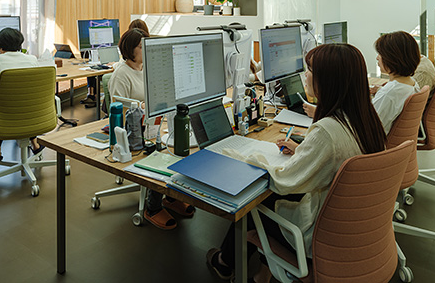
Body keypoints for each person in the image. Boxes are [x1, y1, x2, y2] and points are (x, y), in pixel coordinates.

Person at [206, 43, 387, 281]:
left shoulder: (327, 131)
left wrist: (236, 154)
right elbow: (332, 156)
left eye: (310, 70)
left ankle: (225, 263)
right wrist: (304, 150)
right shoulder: (365, 119)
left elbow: (283, 181)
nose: (305, 75)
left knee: (253, 205)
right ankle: (262, 275)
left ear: (327, 80)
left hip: (319, 237)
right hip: (355, 231)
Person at [108, 27, 194, 230]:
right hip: (133, 132)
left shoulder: (146, 69)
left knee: (180, 148)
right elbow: (118, 108)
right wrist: (142, 107)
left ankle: (170, 197)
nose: (145, 49)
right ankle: (152, 207)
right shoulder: (121, 75)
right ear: (130, 49)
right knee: (161, 153)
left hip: (154, 124)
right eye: (140, 46)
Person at [0, 27, 41, 161]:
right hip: (35, 117)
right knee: (26, 102)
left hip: (5, 120)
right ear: (20, 45)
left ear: (0, 47)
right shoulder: (32, 59)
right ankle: (35, 144)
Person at [371, 31, 422, 134]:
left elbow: (369, 128)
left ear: (392, 58)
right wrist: (380, 91)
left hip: (373, 145)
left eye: (380, 54)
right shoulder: (412, 84)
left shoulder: (388, 94)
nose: (377, 58)